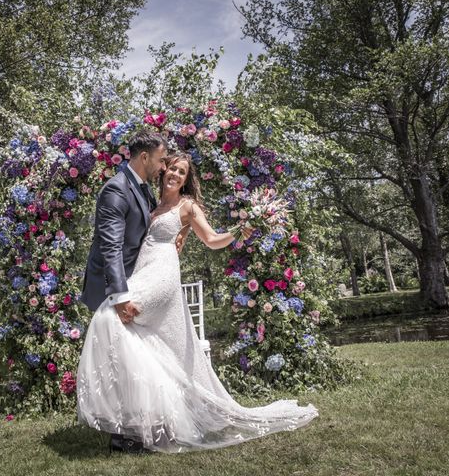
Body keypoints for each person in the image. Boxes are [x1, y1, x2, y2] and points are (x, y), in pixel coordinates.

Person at [77, 150, 318, 454]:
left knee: (109, 317)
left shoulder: (187, 206)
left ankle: (140, 425)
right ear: (163, 171)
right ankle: (142, 424)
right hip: (143, 269)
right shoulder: (151, 202)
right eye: (172, 168)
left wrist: (238, 231)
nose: (176, 174)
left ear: (187, 180)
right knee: (137, 339)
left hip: (162, 276)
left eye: (182, 172)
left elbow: (213, 240)